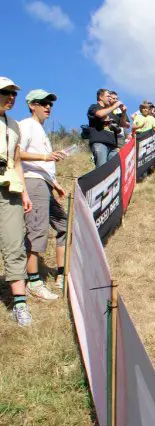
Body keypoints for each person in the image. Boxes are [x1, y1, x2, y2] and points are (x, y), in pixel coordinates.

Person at [18, 88, 69, 299]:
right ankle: (33, 281)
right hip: (32, 183)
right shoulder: (26, 125)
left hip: (45, 184)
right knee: (37, 231)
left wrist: (54, 183)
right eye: (42, 102)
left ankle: (61, 274)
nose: (48, 106)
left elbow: (41, 162)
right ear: (32, 105)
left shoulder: (40, 129)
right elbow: (16, 153)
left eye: (50, 103)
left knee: (64, 226)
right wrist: (46, 157)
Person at [0, 77, 34, 327]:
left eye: (13, 94)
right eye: (5, 93)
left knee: (15, 243)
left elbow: (18, 160)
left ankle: (20, 305)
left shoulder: (14, 126)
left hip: (9, 186)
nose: (11, 98)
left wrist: (24, 192)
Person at [87, 89, 129, 168]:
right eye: (108, 96)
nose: (110, 98)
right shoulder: (94, 107)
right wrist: (114, 106)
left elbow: (123, 124)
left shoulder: (112, 112)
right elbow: (99, 114)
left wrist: (123, 113)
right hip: (100, 143)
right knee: (101, 168)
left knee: (113, 169)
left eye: (110, 96)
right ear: (100, 97)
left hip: (113, 145)